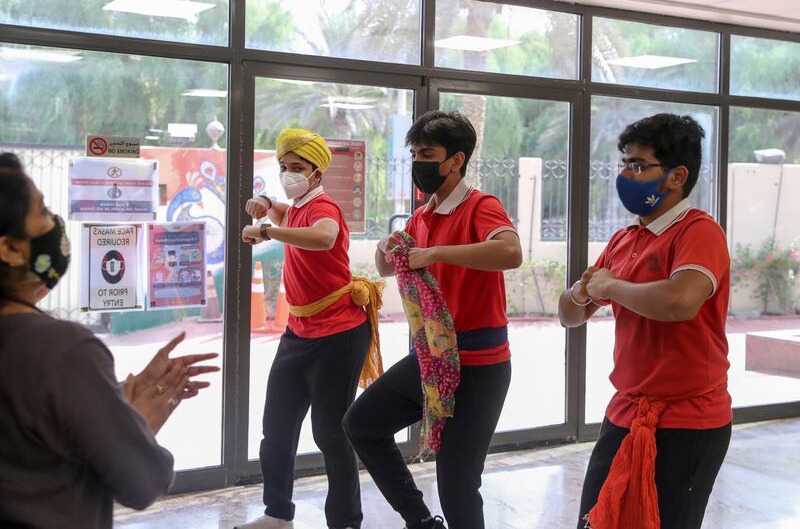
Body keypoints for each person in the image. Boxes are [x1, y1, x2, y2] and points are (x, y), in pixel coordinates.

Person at [0, 154, 220, 528]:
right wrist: (135, 422)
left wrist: (104, 399)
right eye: (43, 211)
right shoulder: (63, 349)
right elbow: (142, 481)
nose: (54, 223)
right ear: (10, 249)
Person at [342, 110, 523, 529]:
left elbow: (510, 253)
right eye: (415, 153)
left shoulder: (481, 206)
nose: (418, 163)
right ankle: (422, 522)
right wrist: (388, 247)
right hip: (433, 361)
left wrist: (436, 254)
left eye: (427, 153)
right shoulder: (423, 214)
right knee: (362, 424)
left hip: (479, 365)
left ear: (455, 160)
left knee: (458, 484)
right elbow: (387, 268)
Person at [558, 114, 731, 529]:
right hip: (626, 411)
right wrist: (584, 292)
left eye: (638, 165)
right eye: (624, 163)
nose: (625, 174)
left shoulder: (699, 232)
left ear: (677, 176)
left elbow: (680, 301)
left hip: (689, 420)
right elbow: (569, 314)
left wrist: (612, 287)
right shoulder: (625, 239)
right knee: (595, 521)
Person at [238, 129, 383, 529]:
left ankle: (345, 521)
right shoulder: (298, 206)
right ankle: (277, 514)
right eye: (283, 167)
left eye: (297, 168)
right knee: (277, 429)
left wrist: (266, 231)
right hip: (298, 333)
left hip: (339, 334)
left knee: (330, 434)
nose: (289, 174)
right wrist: (267, 203)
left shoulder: (325, 209)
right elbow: (284, 212)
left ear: (316, 172)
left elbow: (322, 237)